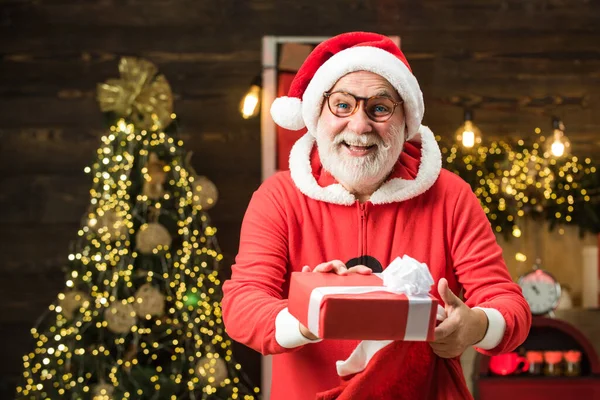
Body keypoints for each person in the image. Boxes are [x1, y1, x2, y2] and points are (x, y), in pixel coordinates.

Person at [222, 32, 531, 400]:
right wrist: (305, 316)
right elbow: (241, 304)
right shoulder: (279, 198)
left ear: (406, 119)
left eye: (380, 108)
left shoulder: (451, 196)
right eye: (342, 105)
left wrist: (476, 326)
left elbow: (509, 304)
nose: (359, 125)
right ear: (317, 113)